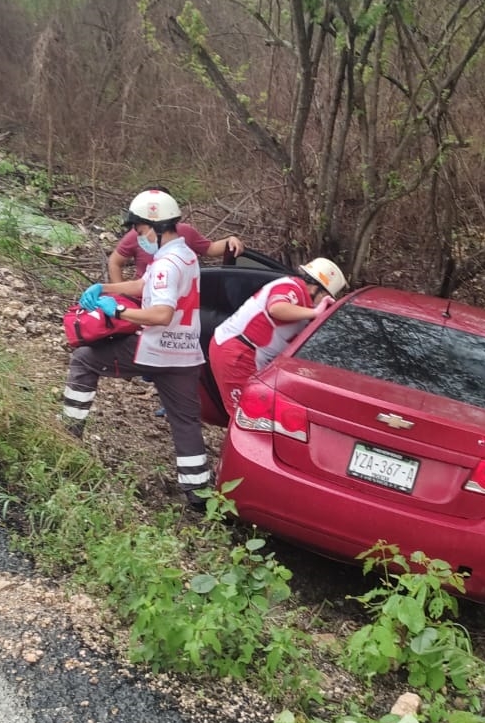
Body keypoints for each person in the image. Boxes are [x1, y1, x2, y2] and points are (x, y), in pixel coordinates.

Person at [60, 188, 211, 509]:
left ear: (154, 226)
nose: (137, 235)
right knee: (186, 421)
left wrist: (118, 311)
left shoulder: (166, 264)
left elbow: (161, 314)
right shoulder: (184, 255)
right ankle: (200, 497)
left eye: (139, 229)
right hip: (185, 354)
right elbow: (145, 285)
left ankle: (68, 436)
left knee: (84, 359)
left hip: (155, 348)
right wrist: (105, 287)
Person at [208, 258, 347, 419]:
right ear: (317, 289)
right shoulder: (292, 287)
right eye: (325, 296)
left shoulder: (304, 303)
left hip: (247, 355)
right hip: (238, 353)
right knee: (248, 418)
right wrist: (315, 313)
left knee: (257, 416)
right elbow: (276, 308)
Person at [107, 189, 244, 282]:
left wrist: (230, 241)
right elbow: (115, 262)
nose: (140, 235)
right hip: (144, 299)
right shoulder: (135, 236)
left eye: (141, 230)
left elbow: (210, 248)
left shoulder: (167, 262)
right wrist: (120, 294)